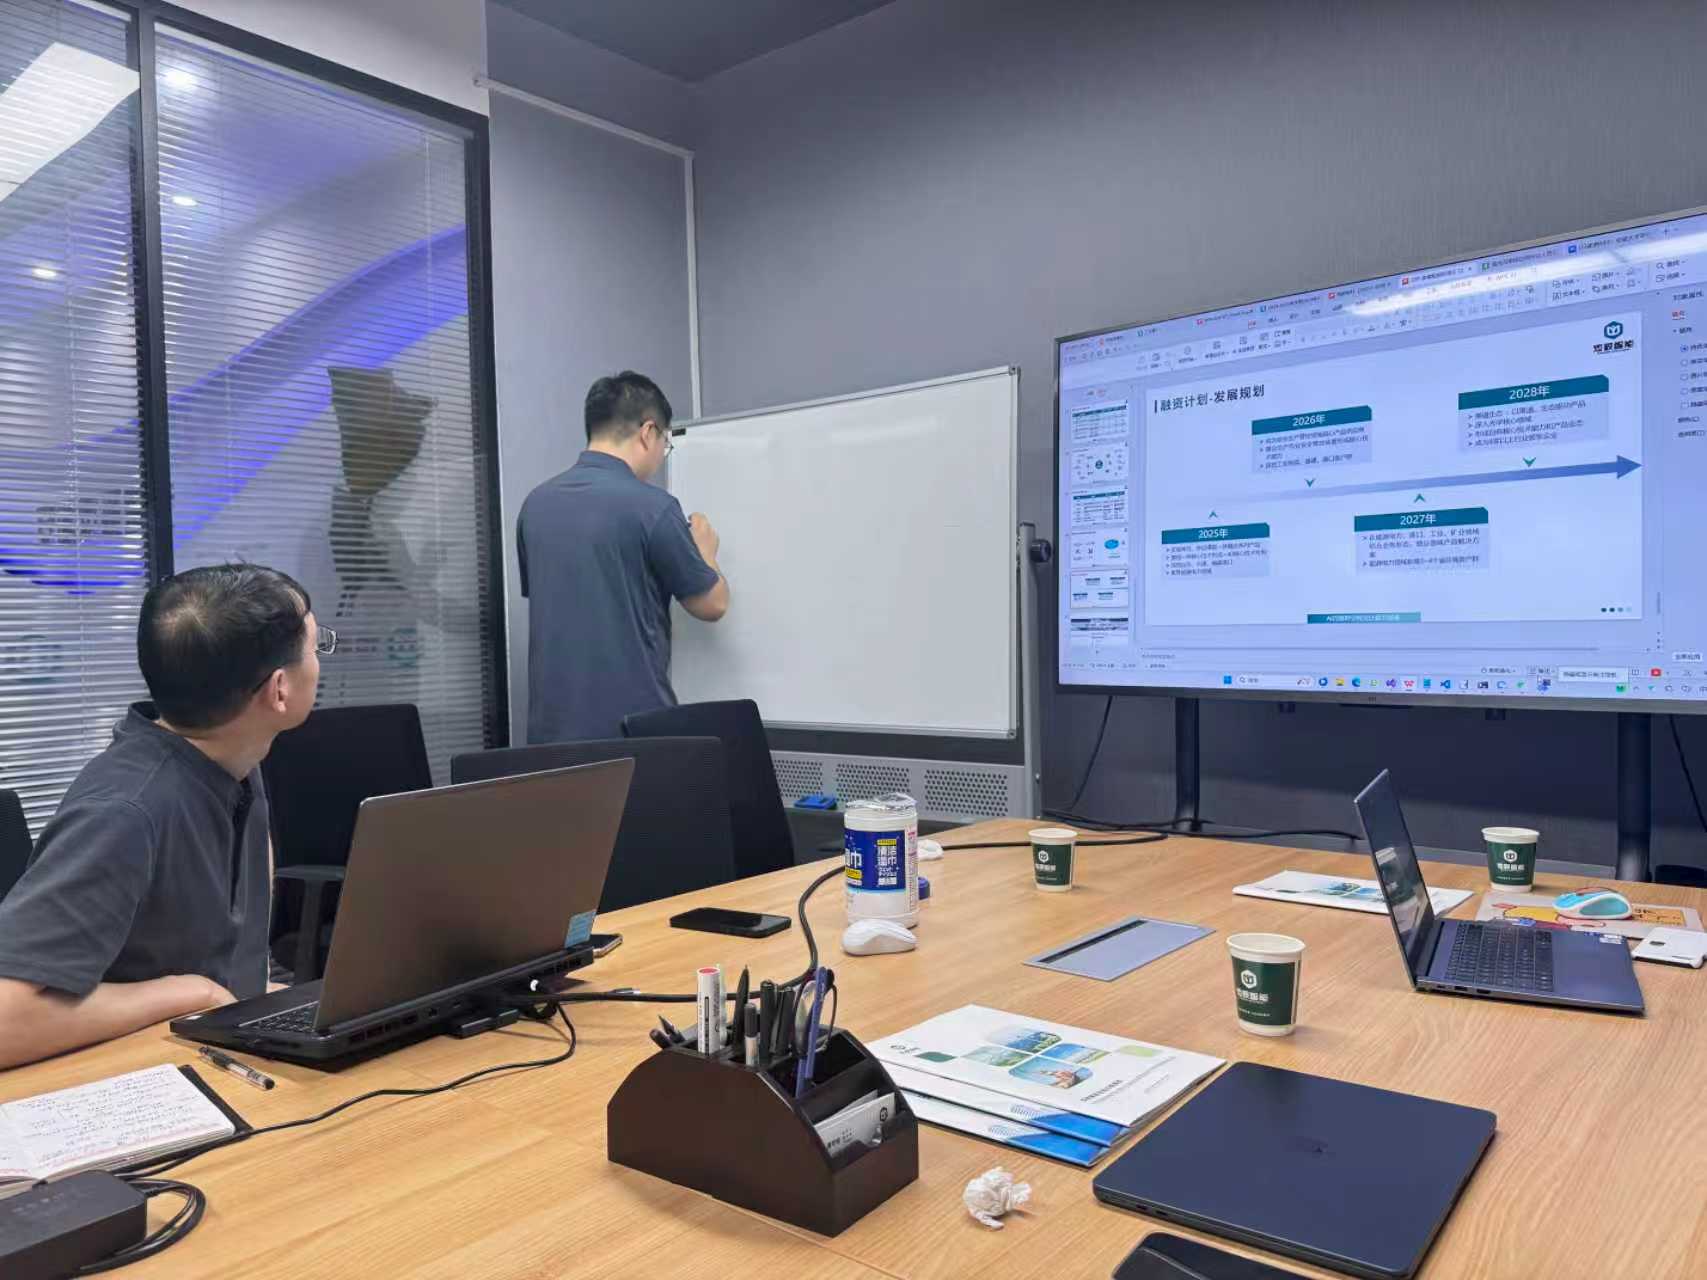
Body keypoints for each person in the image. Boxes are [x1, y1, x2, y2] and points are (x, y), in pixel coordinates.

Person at [0, 564, 325, 1070]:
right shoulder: (126, 810)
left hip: (218, 1052)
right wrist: (188, 992)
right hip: (129, 1078)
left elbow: (228, 956)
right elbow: (5, 1020)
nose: (320, 662)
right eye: (316, 648)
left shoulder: (234, 757)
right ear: (279, 690)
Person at [517, 371, 729, 743]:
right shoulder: (653, 507)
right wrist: (706, 553)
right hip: (633, 735)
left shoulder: (535, 506)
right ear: (648, 432)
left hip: (550, 739)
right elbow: (713, 604)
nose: (662, 455)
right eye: (666, 443)